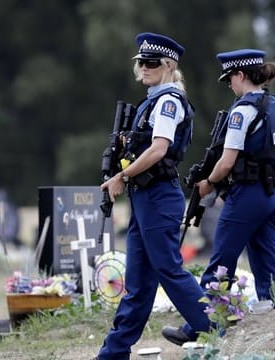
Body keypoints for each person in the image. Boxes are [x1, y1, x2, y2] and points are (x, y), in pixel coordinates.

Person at [162, 49, 275, 346]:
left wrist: (208, 183)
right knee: (265, 258)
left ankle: (201, 326)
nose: (230, 86)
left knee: (221, 262)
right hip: (274, 193)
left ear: (241, 75)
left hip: (247, 195)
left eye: (229, 80)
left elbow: (227, 161)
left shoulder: (242, 111)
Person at [95, 32, 211, 359]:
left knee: (168, 270)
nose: (143, 68)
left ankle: (214, 327)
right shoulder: (153, 99)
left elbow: (159, 149)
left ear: (168, 65)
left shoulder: (169, 101)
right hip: (144, 198)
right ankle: (113, 353)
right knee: (139, 283)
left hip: (159, 196)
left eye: (151, 63)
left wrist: (121, 176)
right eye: (140, 62)